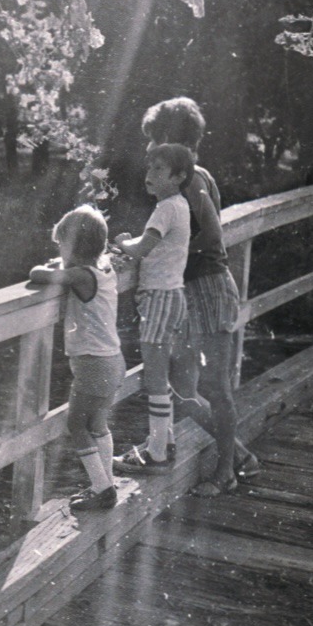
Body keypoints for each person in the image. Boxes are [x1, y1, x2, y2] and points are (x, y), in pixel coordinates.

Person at [139, 97, 259, 496]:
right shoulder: (188, 176)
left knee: (214, 386)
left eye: (155, 138)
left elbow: (211, 234)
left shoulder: (191, 178)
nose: (150, 148)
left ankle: (226, 471)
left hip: (206, 287)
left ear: (170, 136)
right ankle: (237, 453)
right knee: (180, 386)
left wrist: (168, 252)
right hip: (186, 289)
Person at [27, 205, 123, 512]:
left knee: (76, 424)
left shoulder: (80, 276)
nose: (59, 249)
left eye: (61, 244)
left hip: (93, 364)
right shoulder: (104, 269)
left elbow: (40, 275)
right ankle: (105, 482)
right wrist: (63, 261)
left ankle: (102, 488)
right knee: (98, 423)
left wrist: (48, 267)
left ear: (75, 246)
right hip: (113, 360)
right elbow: (70, 269)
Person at [109, 142, 194, 473]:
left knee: (156, 377)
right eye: (150, 168)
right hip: (171, 295)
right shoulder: (180, 205)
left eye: (159, 169)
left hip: (159, 297)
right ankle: (163, 442)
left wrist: (121, 243)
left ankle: (157, 453)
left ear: (178, 176)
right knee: (160, 374)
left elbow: (142, 249)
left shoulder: (165, 209)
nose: (150, 174)